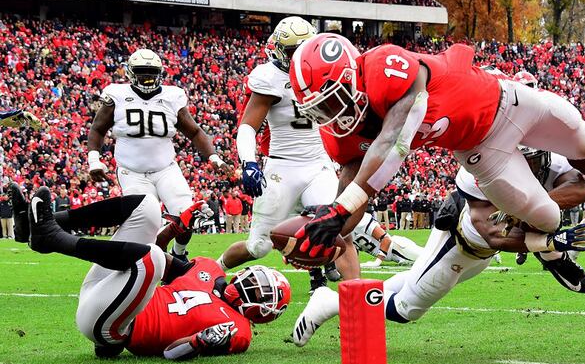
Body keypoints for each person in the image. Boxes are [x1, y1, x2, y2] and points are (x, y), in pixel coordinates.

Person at [287, 33, 585, 264]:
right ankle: (548, 249)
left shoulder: (384, 66)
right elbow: (352, 188)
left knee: (577, 130)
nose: (332, 115)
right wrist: (332, 231)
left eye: (334, 101)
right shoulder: (339, 134)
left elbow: (395, 142)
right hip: (478, 149)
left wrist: (338, 210)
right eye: (321, 109)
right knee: (547, 217)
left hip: (505, 103)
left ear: (353, 76)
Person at [292, 148, 585, 346]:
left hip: (483, 255)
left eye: (532, 161)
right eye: (520, 163)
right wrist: (548, 241)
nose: (526, 170)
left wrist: (534, 209)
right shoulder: (482, 168)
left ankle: (551, 255)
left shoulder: (550, 159)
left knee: (406, 284)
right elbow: (492, 233)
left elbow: (580, 187)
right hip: (461, 243)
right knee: (405, 309)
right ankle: (329, 302)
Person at [10, 184, 289, 360]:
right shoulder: (207, 272)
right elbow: (159, 259)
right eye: (254, 279)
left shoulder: (239, 330)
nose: (249, 285)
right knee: (147, 207)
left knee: (151, 257)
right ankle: (42, 226)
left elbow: (171, 352)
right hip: (107, 293)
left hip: (114, 326)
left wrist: (199, 344)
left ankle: (53, 239)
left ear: (263, 313)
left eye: (258, 291)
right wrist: (175, 228)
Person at [214, 17, 347, 294]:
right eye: (291, 51)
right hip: (282, 168)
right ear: (276, 48)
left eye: (303, 50)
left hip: (319, 164)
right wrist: (249, 162)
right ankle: (211, 271)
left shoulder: (325, 71)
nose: (298, 58)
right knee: (258, 247)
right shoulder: (269, 77)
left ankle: (328, 282)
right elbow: (248, 127)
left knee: (328, 222)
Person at [87, 49, 231, 261]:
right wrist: (93, 160)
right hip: (132, 171)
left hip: (165, 169)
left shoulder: (171, 96)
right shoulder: (117, 95)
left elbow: (195, 132)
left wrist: (214, 158)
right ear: (130, 73)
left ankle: (179, 255)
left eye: (151, 72)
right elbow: (98, 129)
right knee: (146, 218)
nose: (147, 77)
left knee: (187, 212)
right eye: (142, 72)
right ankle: (140, 261)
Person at [353, 211, 421, 268]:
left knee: (427, 259)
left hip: (398, 248)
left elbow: (386, 239)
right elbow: (352, 250)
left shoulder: (359, 220)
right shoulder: (345, 231)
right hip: (395, 255)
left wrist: (377, 262)